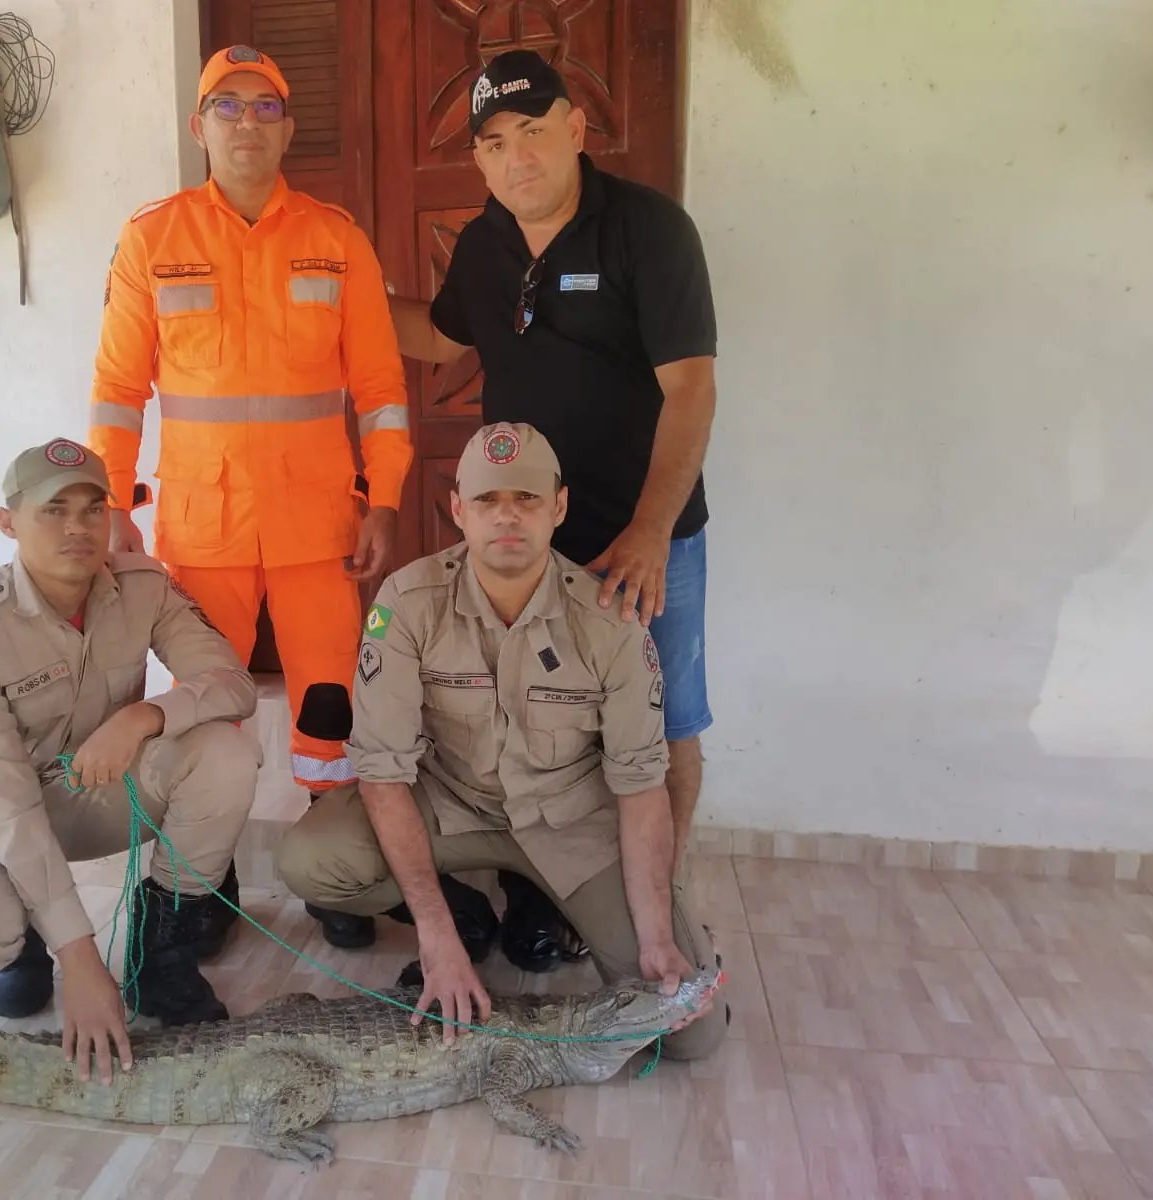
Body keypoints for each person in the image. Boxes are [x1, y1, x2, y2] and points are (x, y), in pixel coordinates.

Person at [387, 49, 720, 974]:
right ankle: (543, 896)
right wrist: (340, 303)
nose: (516, 156)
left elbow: (691, 390)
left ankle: (658, 892)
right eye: (495, 142)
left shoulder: (649, 231)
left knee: (664, 726)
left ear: (577, 129)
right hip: (522, 539)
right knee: (537, 720)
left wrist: (651, 531)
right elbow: (441, 334)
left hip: (638, 537)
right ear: (481, 161)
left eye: (534, 131)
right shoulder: (488, 243)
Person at [86, 44, 413, 950]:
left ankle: (335, 881)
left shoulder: (336, 237)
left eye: (265, 108)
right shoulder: (152, 238)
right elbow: (117, 388)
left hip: (319, 526)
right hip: (202, 526)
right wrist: (115, 505)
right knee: (204, 711)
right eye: (227, 107)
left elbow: (382, 386)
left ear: (288, 130)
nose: (246, 124)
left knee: (330, 708)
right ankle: (203, 887)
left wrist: (385, 496)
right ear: (198, 128)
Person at [275, 422, 727, 1060]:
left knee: (688, 1036)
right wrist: (433, 933)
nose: (507, 517)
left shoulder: (609, 622)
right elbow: (383, 773)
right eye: (487, 501)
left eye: (527, 499)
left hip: (570, 822)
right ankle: (461, 912)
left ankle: (574, 908)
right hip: (452, 807)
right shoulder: (406, 605)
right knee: (310, 860)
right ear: (458, 509)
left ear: (559, 508)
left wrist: (656, 935)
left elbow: (640, 782)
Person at [0, 437, 263, 1084]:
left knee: (226, 752)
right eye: (54, 509)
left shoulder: (143, 586)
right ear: (8, 522)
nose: (78, 527)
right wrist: (83, 960)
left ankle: (161, 957)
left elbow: (231, 682)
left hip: (96, 786)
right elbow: (7, 808)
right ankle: (24, 939)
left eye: (94, 509)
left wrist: (143, 716)